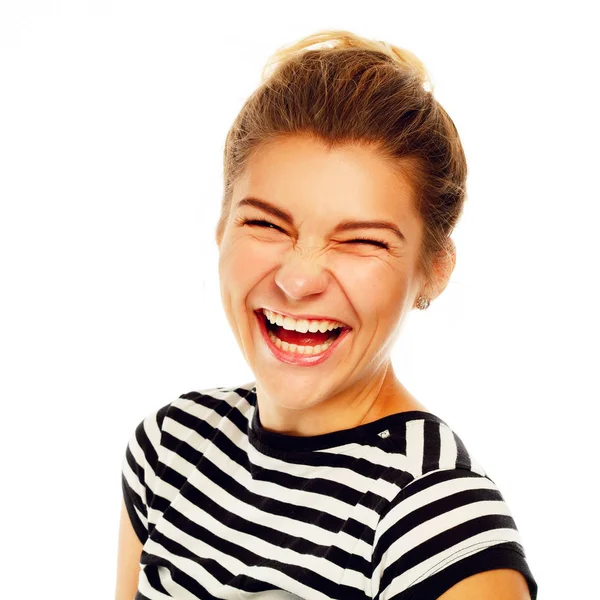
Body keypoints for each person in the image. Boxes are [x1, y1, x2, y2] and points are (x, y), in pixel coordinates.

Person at [115, 29, 538, 600]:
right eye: (265, 224)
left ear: (433, 269)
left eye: (361, 241)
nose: (297, 279)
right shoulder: (171, 448)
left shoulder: (438, 526)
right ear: (220, 228)